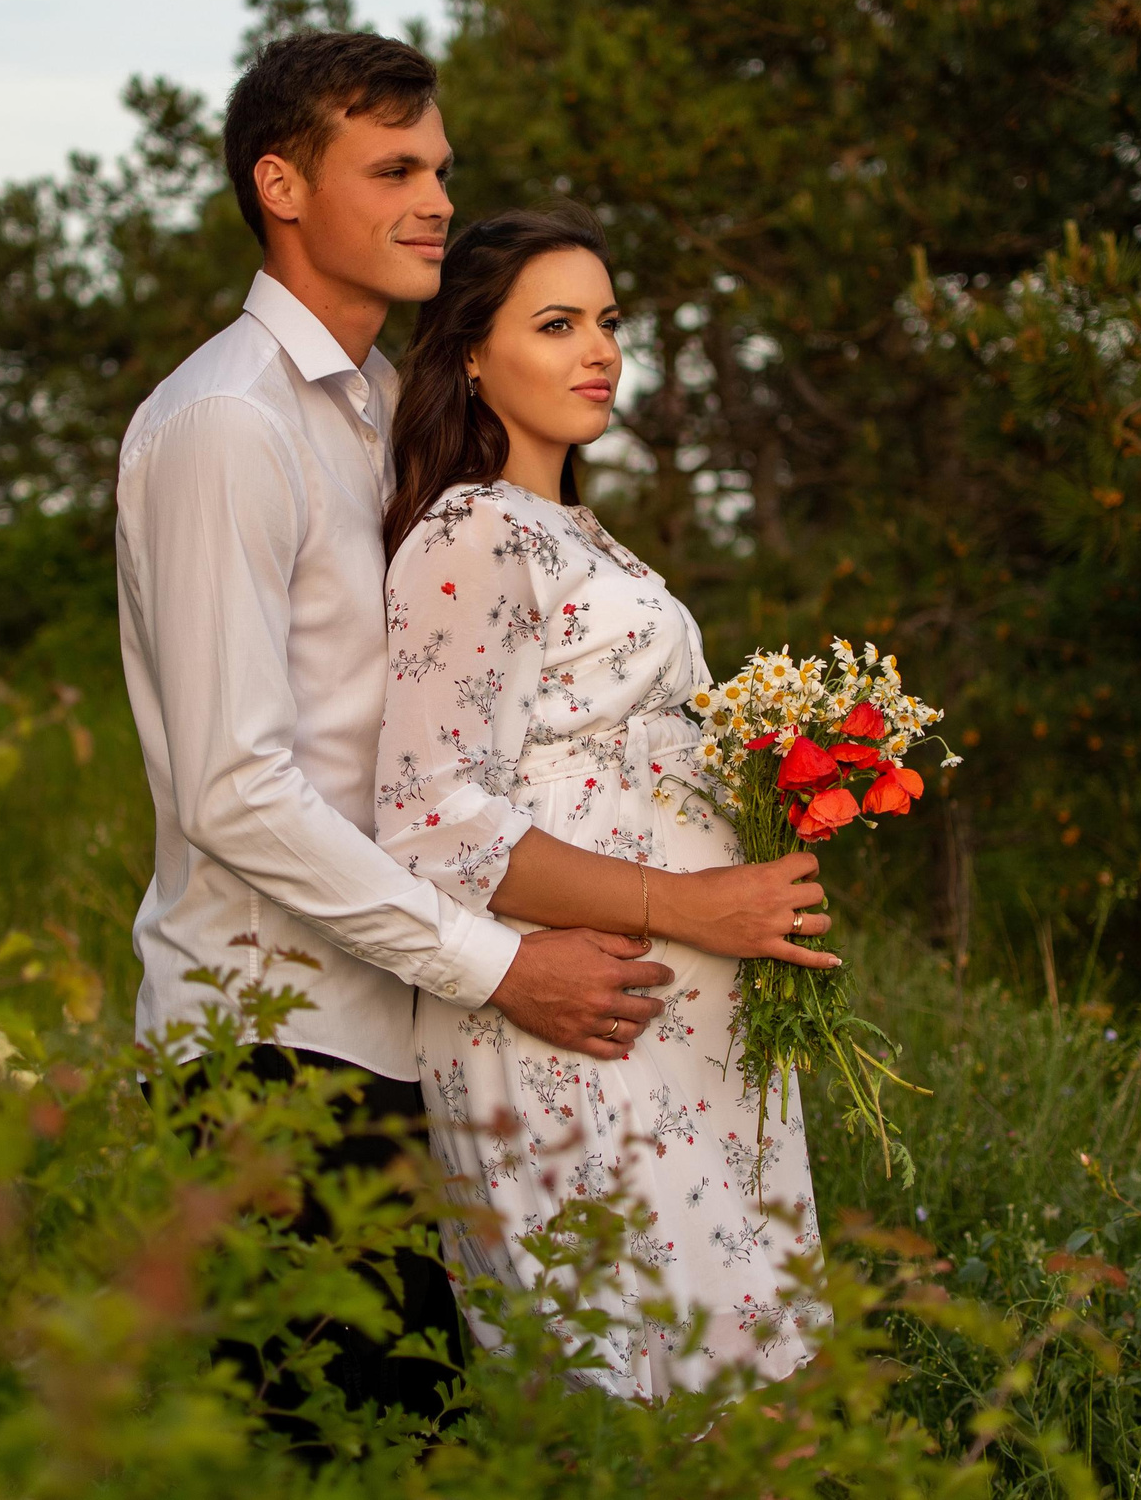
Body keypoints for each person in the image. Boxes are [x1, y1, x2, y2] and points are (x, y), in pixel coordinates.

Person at [116, 33, 827, 1427]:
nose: (437, 196)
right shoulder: (223, 426)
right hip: (273, 1046)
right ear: (280, 185)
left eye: (442, 166)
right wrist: (500, 960)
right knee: (333, 1449)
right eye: (393, 169)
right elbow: (233, 788)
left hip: (414, 1038)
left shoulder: (383, 419)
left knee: (454, 1441)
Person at [372, 205, 830, 1399]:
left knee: (743, 1400)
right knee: (633, 1391)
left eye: (610, 322)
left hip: (678, 1024)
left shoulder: (580, 531)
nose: (601, 351)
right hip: (576, 1015)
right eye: (558, 322)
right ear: (471, 353)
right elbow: (432, 818)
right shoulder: (471, 528)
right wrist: (689, 902)